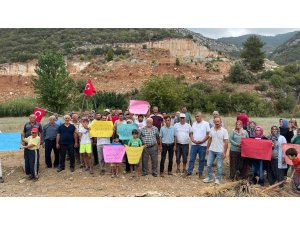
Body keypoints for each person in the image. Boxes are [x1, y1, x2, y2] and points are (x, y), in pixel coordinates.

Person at [203, 117, 228, 185]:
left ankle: (217, 179)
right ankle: (210, 177)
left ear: (220, 122)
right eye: (215, 121)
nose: (217, 123)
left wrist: (225, 152)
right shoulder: (211, 130)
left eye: (218, 121)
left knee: (219, 166)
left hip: (220, 151)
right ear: (213, 122)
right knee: (208, 164)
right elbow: (209, 140)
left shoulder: (224, 131)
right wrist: (208, 148)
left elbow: (226, 142)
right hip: (212, 150)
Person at [186, 112, 210, 178]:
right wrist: (192, 139)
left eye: (198, 116)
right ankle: (189, 171)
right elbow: (191, 133)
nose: (197, 117)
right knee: (191, 159)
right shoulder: (194, 123)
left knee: (202, 159)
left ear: (201, 116)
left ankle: (200, 172)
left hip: (203, 145)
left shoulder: (206, 123)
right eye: (196, 116)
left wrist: (202, 141)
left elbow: (208, 134)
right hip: (194, 144)